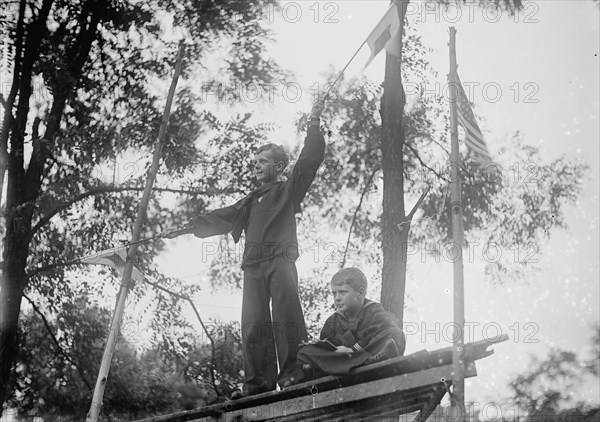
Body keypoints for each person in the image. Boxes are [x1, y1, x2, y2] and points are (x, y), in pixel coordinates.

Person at [164, 100, 326, 398]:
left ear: (278, 167)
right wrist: (188, 227)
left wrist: (313, 126)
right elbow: (221, 216)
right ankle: (257, 385)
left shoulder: (287, 190)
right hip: (252, 268)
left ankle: (293, 376)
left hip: (280, 261)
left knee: (286, 317)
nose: (256, 166)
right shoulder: (249, 202)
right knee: (253, 325)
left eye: (263, 162)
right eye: (255, 163)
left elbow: (308, 161)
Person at [297, 267, 406, 379]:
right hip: (345, 361)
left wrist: (354, 350)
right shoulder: (332, 321)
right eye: (334, 294)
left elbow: (385, 326)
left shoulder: (374, 310)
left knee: (396, 333)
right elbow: (326, 349)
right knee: (304, 353)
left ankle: (363, 362)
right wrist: (336, 351)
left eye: (343, 292)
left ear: (360, 293)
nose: (337, 298)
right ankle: (365, 362)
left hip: (365, 353)